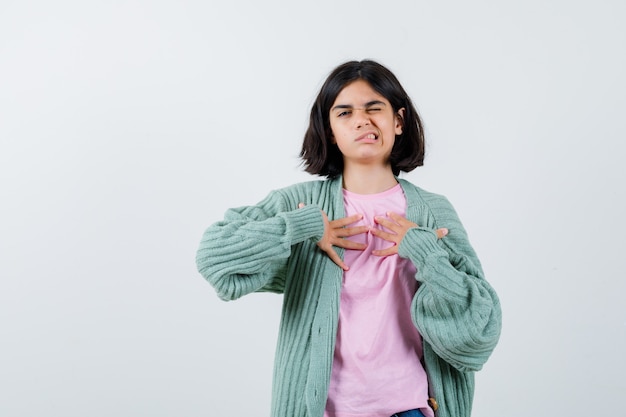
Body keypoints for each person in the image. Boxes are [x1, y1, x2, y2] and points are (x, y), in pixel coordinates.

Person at [196, 60, 502, 417]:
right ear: (329, 129)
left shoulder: (432, 211)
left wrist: (425, 252)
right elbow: (214, 257)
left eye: (375, 109)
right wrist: (302, 225)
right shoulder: (302, 203)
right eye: (345, 113)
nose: (362, 121)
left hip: (410, 408)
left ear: (398, 121)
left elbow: (480, 330)